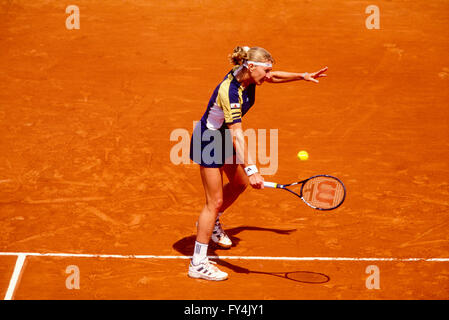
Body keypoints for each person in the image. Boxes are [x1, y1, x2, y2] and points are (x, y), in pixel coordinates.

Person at [188, 46, 327, 281]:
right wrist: (253, 170)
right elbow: (237, 136)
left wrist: (302, 76)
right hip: (209, 141)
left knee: (239, 184)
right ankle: (198, 263)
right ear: (250, 67)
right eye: (266, 70)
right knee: (215, 201)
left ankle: (211, 222)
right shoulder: (230, 93)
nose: (269, 75)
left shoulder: (249, 75)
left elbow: (273, 77)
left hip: (221, 137)